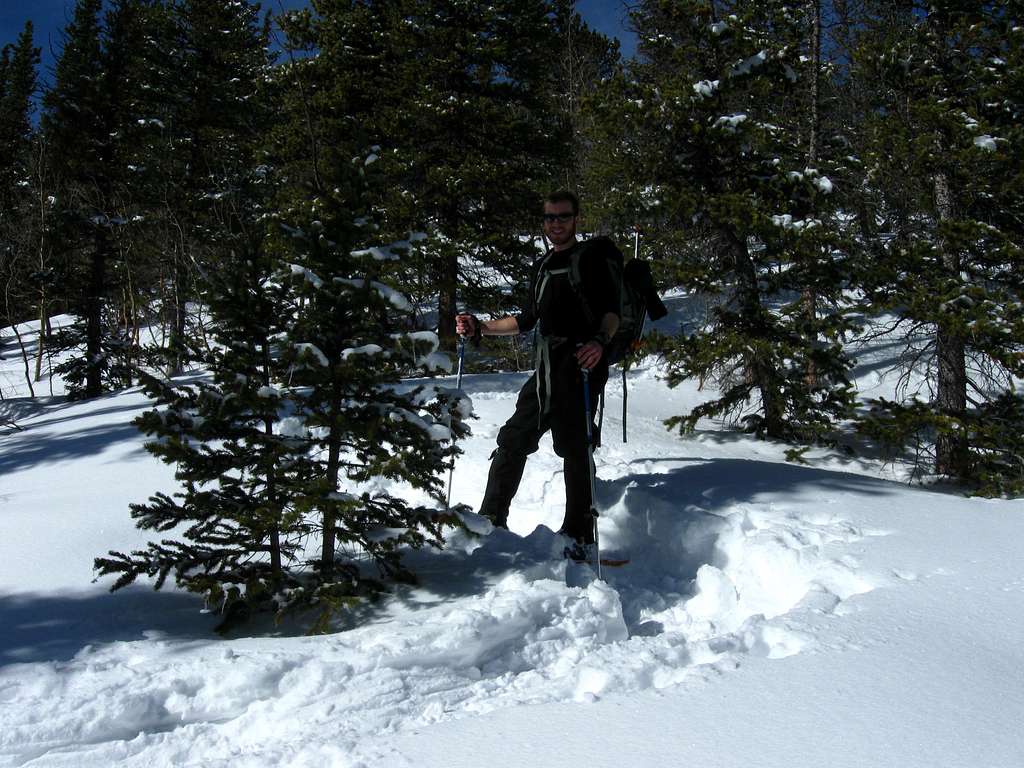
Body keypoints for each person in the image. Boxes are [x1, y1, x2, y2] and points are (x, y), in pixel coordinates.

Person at [456, 190, 621, 558]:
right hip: (547, 368)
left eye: (562, 217)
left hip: (580, 366)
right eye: (549, 218)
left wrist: (598, 342)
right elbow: (527, 319)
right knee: (514, 437)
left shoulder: (591, 259)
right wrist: (481, 327)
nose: (555, 224)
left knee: (575, 448)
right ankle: (491, 519)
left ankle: (579, 534)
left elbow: (612, 312)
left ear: (576, 219)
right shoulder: (544, 265)